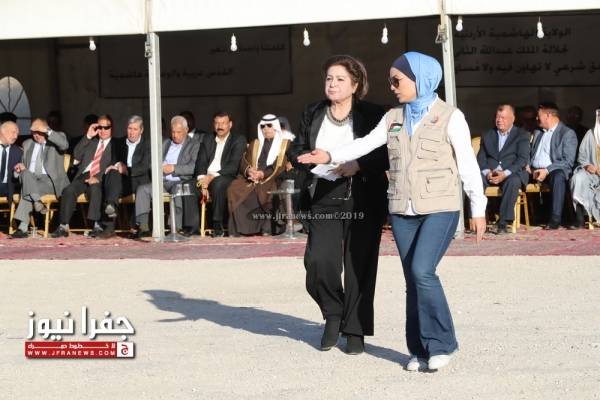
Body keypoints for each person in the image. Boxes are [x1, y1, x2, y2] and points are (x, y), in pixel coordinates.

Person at [299, 51, 487, 370]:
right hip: (401, 209)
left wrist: (477, 207)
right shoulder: (392, 117)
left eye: (397, 81)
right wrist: (330, 155)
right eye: (391, 81)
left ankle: (442, 343)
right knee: (412, 279)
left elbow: (468, 164)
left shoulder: (450, 116)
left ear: (419, 80)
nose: (392, 86)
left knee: (422, 271)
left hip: (439, 207)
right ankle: (419, 350)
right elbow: (364, 145)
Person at [288, 54, 389, 355]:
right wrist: (305, 159)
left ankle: (355, 329)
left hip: (363, 192)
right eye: (329, 78)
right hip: (324, 193)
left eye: (340, 79)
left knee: (359, 264)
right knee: (319, 262)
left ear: (355, 85)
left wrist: (359, 164)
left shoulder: (373, 113)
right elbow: (296, 149)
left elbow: (386, 152)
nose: (332, 84)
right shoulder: (313, 111)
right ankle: (334, 313)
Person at [51, 115, 120, 238]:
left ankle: (97, 226)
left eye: (106, 127)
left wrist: (98, 177)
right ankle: (63, 226)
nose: (103, 130)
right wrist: (88, 135)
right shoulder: (91, 142)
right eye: (100, 127)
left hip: (102, 176)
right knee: (68, 190)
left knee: (95, 189)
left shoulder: (116, 144)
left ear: (112, 128)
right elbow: (76, 155)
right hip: (84, 175)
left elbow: (115, 165)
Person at [134, 116, 200, 237]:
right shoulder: (165, 143)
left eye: (178, 132)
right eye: (173, 132)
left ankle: (175, 227)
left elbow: (194, 167)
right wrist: (157, 168)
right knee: (142, 190)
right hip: (162, 181)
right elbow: (152, 163)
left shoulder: (194, 145)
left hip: (179, 181)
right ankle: (143, 227)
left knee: (177, 190)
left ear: (186, 130)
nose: (175, 135)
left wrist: (174, 168)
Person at [227, 114, 292, 236]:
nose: (266, 129)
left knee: (266, 190)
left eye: (269, 126)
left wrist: (262, 174)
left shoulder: (285, 145)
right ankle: (239, 229)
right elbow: (244, 161)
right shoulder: (255, 143)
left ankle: (266, 228)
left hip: (272, 177)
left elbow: (279, 166)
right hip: (252, 177)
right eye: (263, 126)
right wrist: (249, 171)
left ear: (276, 127)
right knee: (234, 188)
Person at [11, 118, 69, 238]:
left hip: (49, 181)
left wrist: (47, 130)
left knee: (27, 189)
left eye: (38, 132)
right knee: (26, 175)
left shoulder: (56, 139)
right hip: (31, 178)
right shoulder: (27, 144)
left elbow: (64, 145)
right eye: (33, 132)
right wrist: (19, 169)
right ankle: (37, 201)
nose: (35, 135)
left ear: (45, 130)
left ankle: (22, 228)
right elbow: (23, 166)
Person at [477, 104, 530, 234]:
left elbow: (522, 159)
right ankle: (477, 219)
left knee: (513, 181)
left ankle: (503, 223)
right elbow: (481, 158)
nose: (499, 120)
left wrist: (505, 173)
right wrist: (487, 173)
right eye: (497, 117)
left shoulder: (522, 134)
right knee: (474, 180)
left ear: (513, 118)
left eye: (503, 117)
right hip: (490, 172)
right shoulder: (488, 134)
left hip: (512, 172)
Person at [193, 111, 246, 237]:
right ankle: (191, 227)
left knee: (218, 184)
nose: (220, 126)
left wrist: (211, 177)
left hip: (226, 176)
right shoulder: (207, 138)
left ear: (230, 125)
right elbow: (201, 161)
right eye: (217, 123)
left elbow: (233, 166)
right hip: (206, 177)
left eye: (223, 123)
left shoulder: (238, 139)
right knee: (187, 186)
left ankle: (217, 223)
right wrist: (202, 180)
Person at [98, 115, 150, 238]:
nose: (131, 132)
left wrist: (126, 170)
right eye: (129, 128)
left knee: (112, 185)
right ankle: (111, 207)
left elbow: (145, 166)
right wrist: (115, 165)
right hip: (120, 180)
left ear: (141, 130)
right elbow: (114, 160)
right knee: (111, 174)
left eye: (135, 129)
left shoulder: (147, 144)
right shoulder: (119, 142)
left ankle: (111, 222)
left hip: (138, 180)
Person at [529, 102, 578, 229]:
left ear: (548, 115)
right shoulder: (538, 132)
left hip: (553, 170)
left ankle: (555, 219)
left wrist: (546, 170)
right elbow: (530, 153)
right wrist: (527, 166)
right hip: (533, 170)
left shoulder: (567, 133)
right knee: (514, 175)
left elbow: (568, 161)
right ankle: (508, 217)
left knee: (558, 176)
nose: (536, 118)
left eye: (539, 115)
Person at [569, 109, 600, 229]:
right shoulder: (591, 134)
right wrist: (587, 166)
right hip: (592, 173)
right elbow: (582, 156)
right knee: (577, 178)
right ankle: (580, 218)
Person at [0, 121, 23, 217]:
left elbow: (17, 177)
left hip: (8, 186)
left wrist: (17, 173)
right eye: (13, 132)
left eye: (17, 133)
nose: (16, 136)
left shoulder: (18, 151)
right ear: (2, 131)